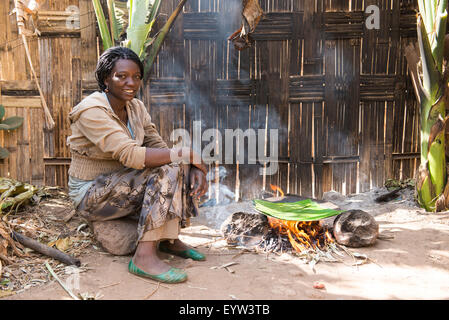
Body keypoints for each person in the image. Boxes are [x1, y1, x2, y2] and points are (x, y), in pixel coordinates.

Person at [66, 46, 208, 283]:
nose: (130, 82)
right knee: (171, 165)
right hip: (91, 194)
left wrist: (192, 166)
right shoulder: (91, 111)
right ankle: (143, 257)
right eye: (121, 76)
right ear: (105, 80)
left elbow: (158, 146)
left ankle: (169, 239)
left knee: (175, 166)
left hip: (123, 184)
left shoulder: (135, 107)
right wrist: (187, 154)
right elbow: (131, 155)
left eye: (136, 76)